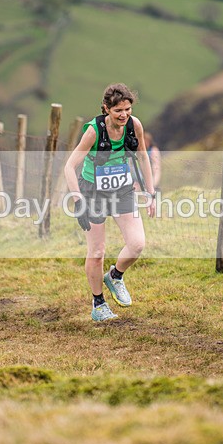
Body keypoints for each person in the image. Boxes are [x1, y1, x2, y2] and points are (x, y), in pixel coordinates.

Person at [64, 83, 157, 322]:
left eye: (127, 109)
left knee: (137, 244)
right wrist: (78, 201)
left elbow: (143, 157)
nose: (124, 115)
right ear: (106, 109)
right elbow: (69, 166)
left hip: (122, 190)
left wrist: (150, 193)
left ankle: (115, 276)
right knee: (97, 252)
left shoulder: (134, 125)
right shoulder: (94, 132)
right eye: (118, 111)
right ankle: (98, 304)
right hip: (92, 192)